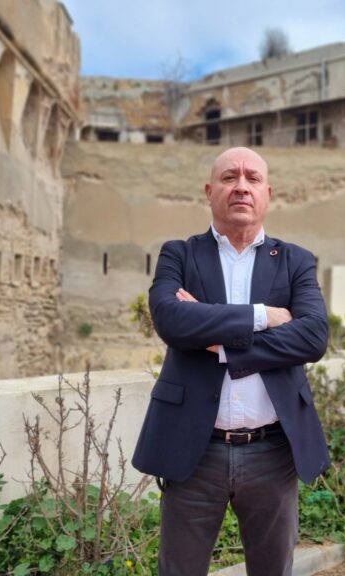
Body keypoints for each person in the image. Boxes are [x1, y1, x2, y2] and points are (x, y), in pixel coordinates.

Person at [132, 146, 331, 576]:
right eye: (229, 177)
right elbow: (171, 320)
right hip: (193, 450)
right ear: (210, 191)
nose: (241, 186)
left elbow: (313, 337)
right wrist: (265, 316)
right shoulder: (179, 255)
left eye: (252, 178)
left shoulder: (295, 261)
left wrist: (222, 344)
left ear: (267, 193)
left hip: (272, 452)